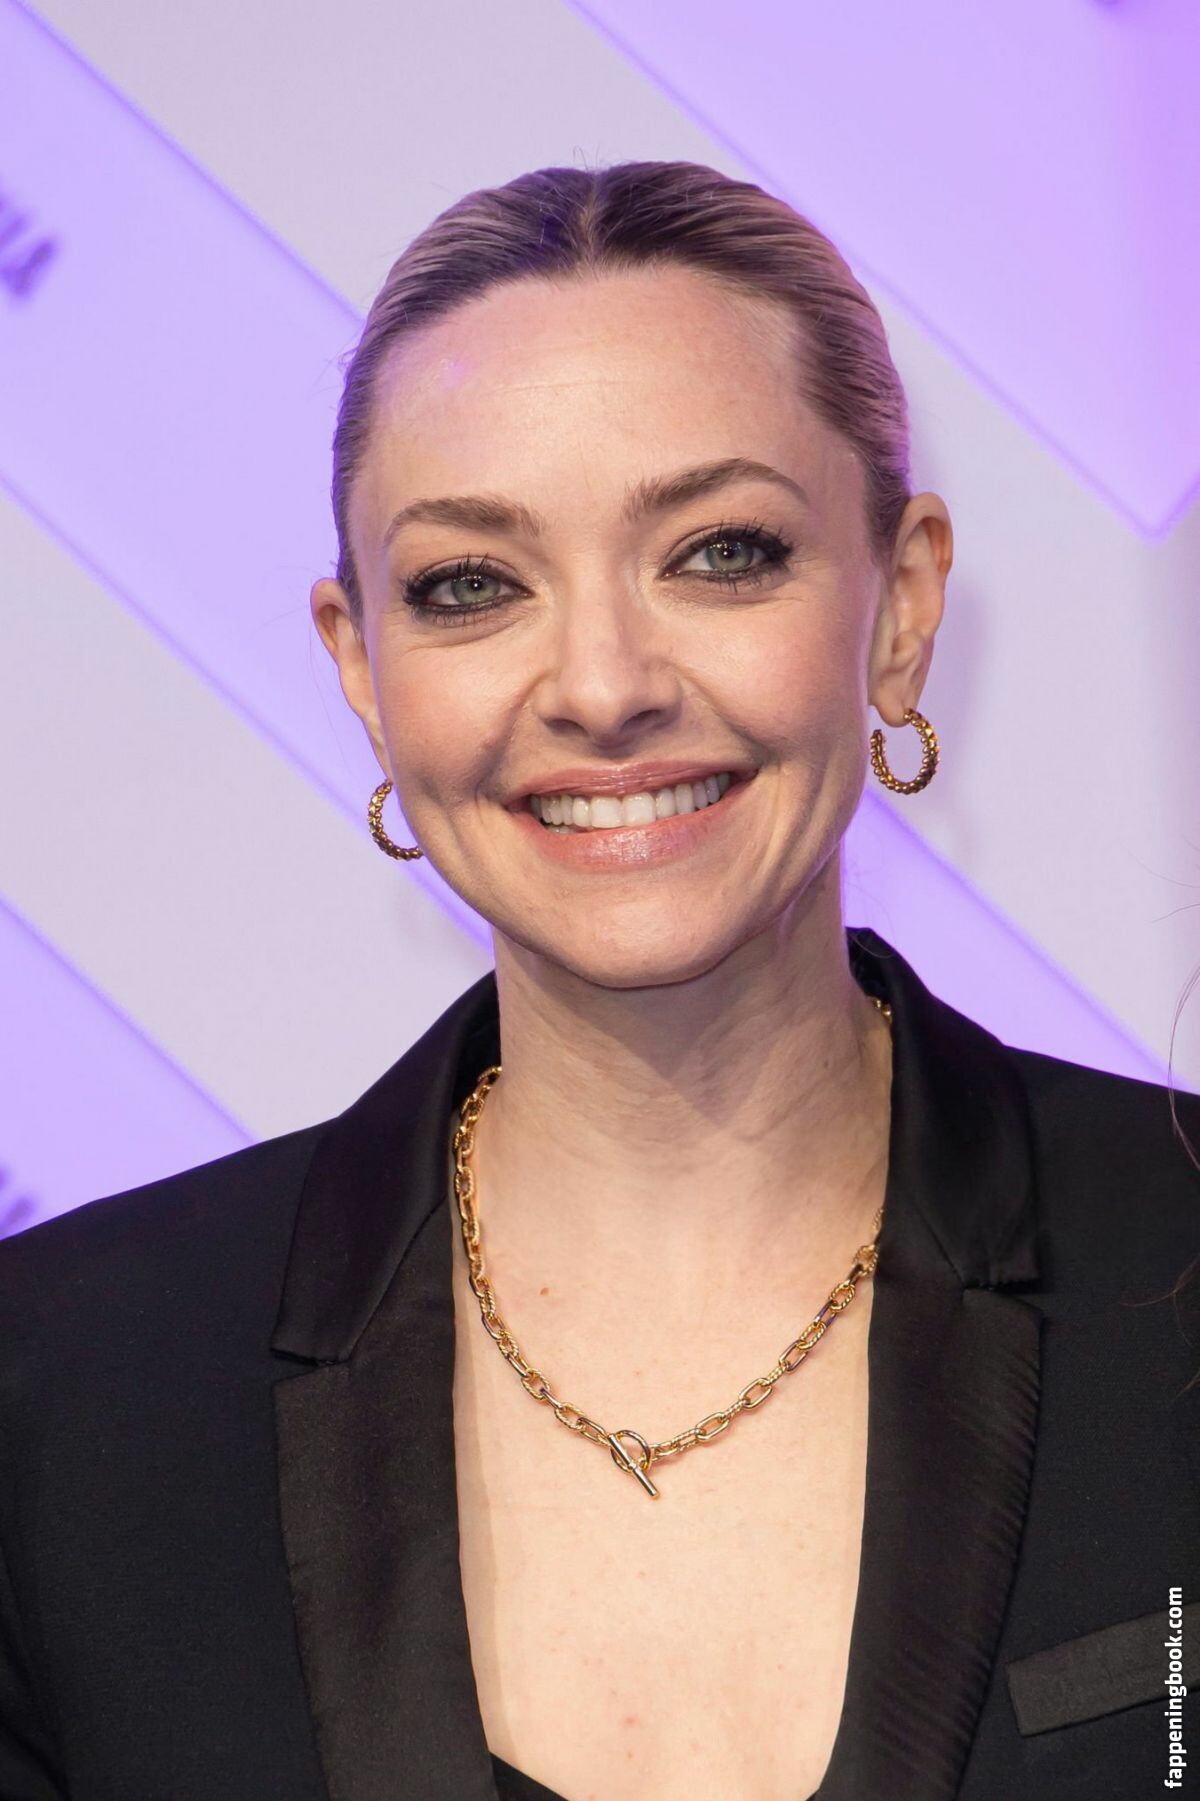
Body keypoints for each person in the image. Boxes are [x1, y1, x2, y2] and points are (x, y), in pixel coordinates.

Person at [0, 160, 1196, 1801]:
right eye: (470, 585)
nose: (604, 685)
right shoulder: (68, 1390)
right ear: (361, 666)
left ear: (903, 605)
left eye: (720, 551)